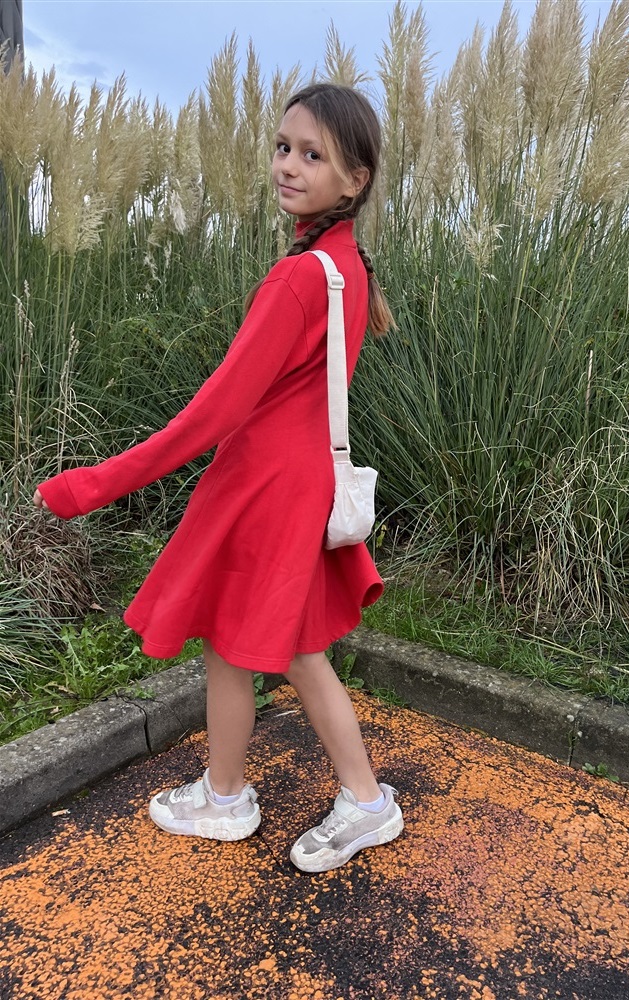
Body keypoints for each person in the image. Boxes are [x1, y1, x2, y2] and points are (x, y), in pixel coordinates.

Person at [34, 83, 403, 873]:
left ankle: (315, 799)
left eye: (312, 155)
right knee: (264, 644)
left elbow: (212, 414)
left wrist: (93, 484)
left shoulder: (299, 278)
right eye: (283, 147)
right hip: (293, 483)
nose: (288, 166)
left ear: (355, 178)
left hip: (267, 489)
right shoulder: (345, 267)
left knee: (267, 647)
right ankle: (254, 794)